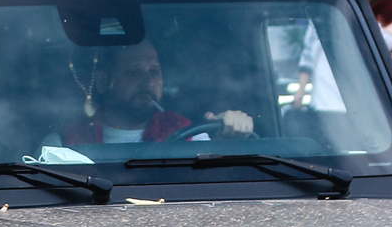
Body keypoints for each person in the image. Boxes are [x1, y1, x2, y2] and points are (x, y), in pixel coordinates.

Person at [57, 40, 253, 147]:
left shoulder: (189, 135)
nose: (148, 82)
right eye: (133, 72)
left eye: (154, 72)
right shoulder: (62, 143)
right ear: (102, 81)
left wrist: (226, 135)